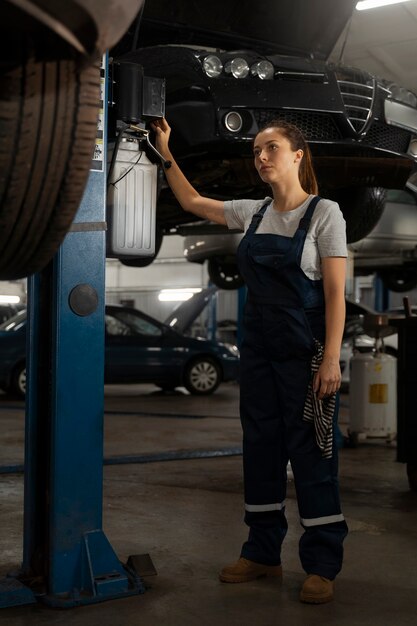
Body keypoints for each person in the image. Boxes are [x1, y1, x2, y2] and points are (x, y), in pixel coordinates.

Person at [151, 116, 348, 604]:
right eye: (256, 150)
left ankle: (322, 565)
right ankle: (262, 553)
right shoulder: (253, 213)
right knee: (260, 450)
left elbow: (336, 295)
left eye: (271, 148)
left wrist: (331, 361)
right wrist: (166, 152)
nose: (261, 157)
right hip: (259, 355)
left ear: (297, 155)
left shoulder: (325, 214)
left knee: (312, 457)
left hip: (306, 357)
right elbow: (193, 202)